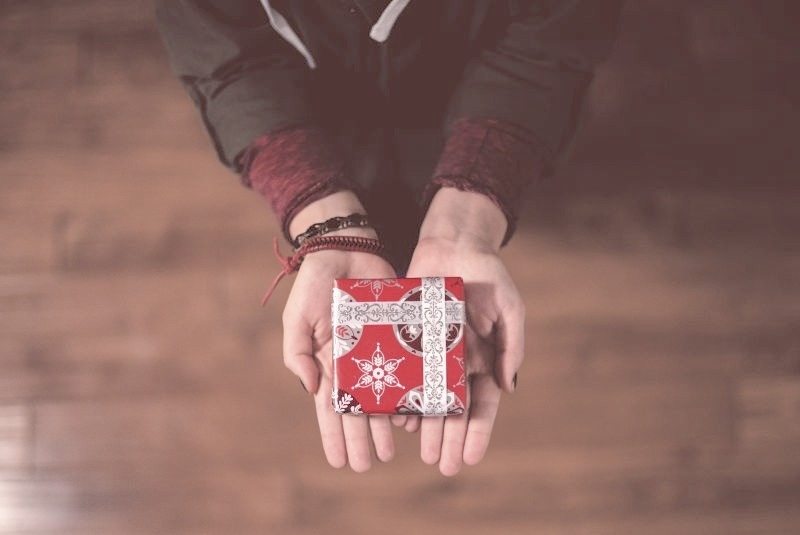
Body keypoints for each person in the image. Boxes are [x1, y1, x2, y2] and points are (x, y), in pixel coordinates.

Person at [155, 0, 622, 476]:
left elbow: (554, 39)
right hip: (322, 125)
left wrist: (472, 209)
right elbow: (221, 54)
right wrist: (319, 207)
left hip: (481, 110)